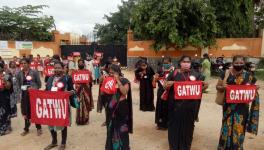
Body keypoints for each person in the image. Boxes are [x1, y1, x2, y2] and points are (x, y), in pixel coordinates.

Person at [164, 55, 208, 150]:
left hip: (190, 108)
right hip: (175, 107)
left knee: (188, 128)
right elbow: (165, 86)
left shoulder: (196, 74)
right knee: (174, 127)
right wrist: (168, 84)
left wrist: (205, 86)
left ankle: (186, 146)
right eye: (184, 61)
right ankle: (174, 146)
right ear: (180, 63)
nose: (186, 63)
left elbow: (201, 89)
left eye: (188, 62)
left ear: (190, 63)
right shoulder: (174, 73)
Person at [216, 55, 260, 150]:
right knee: (226, 127)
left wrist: (256, 88)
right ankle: (223, 147)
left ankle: (237, 147)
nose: (238, 64)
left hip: (242, 109)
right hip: (228, 107)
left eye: (241, 63)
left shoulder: (249, 76)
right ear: (233, 63)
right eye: (236, 63)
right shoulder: (225, 73)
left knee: (239, 129)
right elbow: (217, 87)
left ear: (244, 64)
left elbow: (255, 87)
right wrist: (222, 87)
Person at [44, 61, 75, 150]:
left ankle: (63, 143)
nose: (57, 69)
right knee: (50, 123)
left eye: (59, 68)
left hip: (62, 105)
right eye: (55, 68)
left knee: (63, 122)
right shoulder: (49, 78)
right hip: (51, 105)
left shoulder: (67, 78)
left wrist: (68, 93)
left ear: (62, 68)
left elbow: (73, 90)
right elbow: (47, 90)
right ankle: (54, 142)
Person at [104, 64, 133, 150]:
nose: (111, 74)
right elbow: (104, 94)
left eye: (112, 73)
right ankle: (112, 147)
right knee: (111, 128)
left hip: (122, 108)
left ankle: (123, 146)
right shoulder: (108, 81)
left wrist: (118, 81)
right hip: (111, 108)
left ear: (118, 72)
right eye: (110, 73)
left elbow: (124, 92)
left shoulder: (124, 81)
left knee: (122, 128)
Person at [16, 58, 42, 136]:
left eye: (25, 63)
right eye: (22, 63)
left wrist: (33, 88)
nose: (23, 65)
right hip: (24, 96)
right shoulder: (19, 73)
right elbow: (18, 85)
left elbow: (39, 84)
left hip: (33, 95)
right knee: (25, 111)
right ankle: (26, 128)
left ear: (28, 64)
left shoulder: (34, 72)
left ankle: (39, 128)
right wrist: (22, 89)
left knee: (35, 111)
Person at [153, 57, 174, 130]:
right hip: (161, 91)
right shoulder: (159, 70)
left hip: (170, 92)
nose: (166, 64)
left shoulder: (174, 71)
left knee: (168, 107)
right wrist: (155, 78)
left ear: (171, 63)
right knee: (160, 107)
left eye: (167, 63)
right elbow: (154, 83)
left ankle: (167, 124)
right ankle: (159, 124)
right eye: (164, 63)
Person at [75, 59, 94, 125]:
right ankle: (79, 120)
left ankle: (86, 119)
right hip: (78, 91)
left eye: (82, 63)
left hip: (86, 91)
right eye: (79, 63)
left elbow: (91, 80)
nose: (80, 64)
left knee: (87, 104)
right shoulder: (75, 72)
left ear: (84, 64)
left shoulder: (87, 72)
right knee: (79, 105)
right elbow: (73, 81)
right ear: (78, 64)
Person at [0, 62, 13, 136]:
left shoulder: (7, 76)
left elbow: (9, 87)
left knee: (5, 111)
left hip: (4, 96)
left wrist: (4, 80)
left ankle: (7, 127)